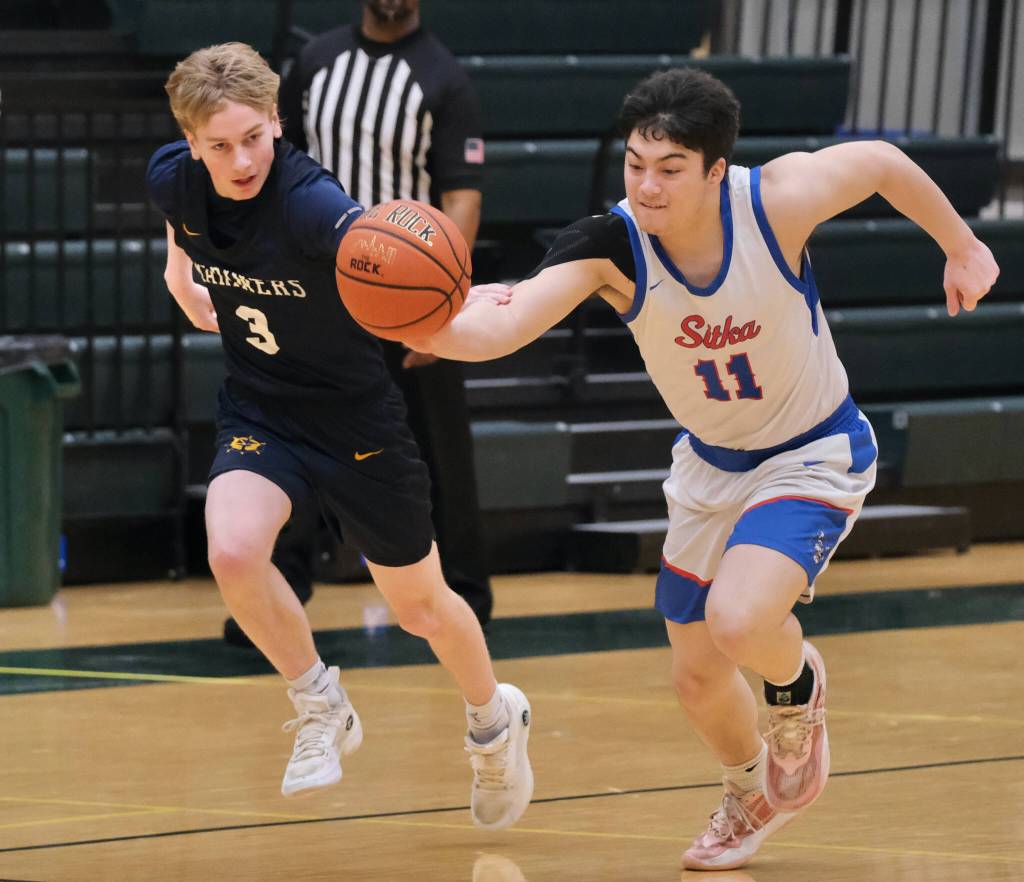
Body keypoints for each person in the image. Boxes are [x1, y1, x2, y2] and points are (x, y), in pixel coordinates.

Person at [411, 67, 998, 870]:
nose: (646, 187)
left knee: (739, 619)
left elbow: (885, 165)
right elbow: (504, 319)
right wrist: (413, 324)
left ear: (716, 170)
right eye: (635, 164)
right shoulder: (610, 244)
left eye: (669, 169)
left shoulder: (777, 200)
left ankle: (797, 695)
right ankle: (746, 791)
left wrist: (960, 246)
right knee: (695, 677)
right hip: (709, 468)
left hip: (811, 451)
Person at [146, 42, 532, 827]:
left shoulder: (315, 207)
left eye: (254, 136)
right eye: (219, 145)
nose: (241, 157)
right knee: (231, 549)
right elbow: (178, 223)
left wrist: (468, 313)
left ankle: (495, 723)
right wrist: (178, 273)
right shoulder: (173, 177)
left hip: (357, 420)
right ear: (191, 142)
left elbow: (400, 292)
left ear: (277, 120)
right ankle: (321, 703)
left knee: (422, 606)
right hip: (261, 408)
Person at [229, 0, 490, 644]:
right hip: (316, 290)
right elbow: (274, 159)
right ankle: (278, 592)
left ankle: (465, 595)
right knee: (295, 436)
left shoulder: (444, 77)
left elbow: (461, 193)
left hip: (406, 296)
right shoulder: (316, 61)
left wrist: (442, 304)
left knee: (437, 450)